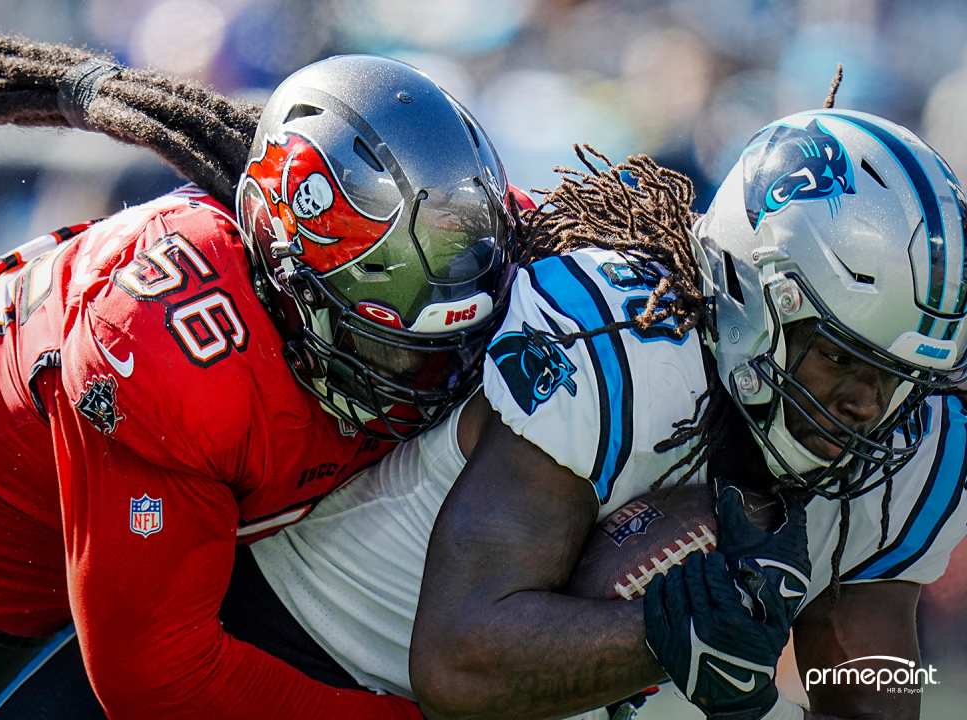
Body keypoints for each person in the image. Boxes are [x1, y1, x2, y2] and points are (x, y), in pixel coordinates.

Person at [0, 26, 523, 720]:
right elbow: (161, 682)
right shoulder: (164, 360)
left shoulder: (449, 232)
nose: (430, 374)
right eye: (392, 347)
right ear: (291, 284)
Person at [233, 109, 967, 720]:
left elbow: (865, 690)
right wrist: (669, 635)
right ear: (753, 298)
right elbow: (458, 659)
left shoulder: (913, 436)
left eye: (899, 374)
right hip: (293, 648)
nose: (870, 405)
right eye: (842, 358)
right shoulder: (620, 345)